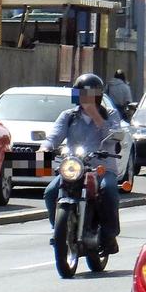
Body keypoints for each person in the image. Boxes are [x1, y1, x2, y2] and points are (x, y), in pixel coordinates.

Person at [43, 73, 124, 254]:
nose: (84, 99)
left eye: (88, 94)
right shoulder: (69, 116)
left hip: (102, 167)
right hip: (74, 166)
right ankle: (59, 230)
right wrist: (46, 147)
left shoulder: (109, 114)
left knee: (109, 190)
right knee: (50, 192)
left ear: (97, 95)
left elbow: (114, 135)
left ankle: (109, 236)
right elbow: (54, 136)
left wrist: (96, 116)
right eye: (80, 94)